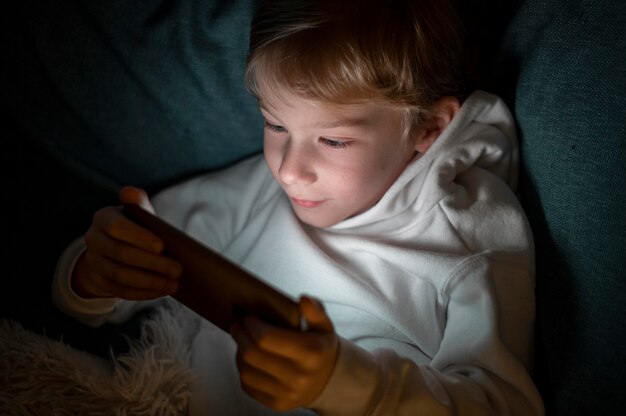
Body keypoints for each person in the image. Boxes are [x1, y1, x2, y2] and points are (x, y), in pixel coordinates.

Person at [52, 0, 544, 414]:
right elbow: (132, 265)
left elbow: (501, 401)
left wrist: (348, 385)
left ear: (428, 129)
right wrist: (93, 276)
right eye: (275, 125)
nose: (289, 170)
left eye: (332, 140)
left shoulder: (468, 233)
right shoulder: (269, 189)